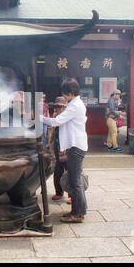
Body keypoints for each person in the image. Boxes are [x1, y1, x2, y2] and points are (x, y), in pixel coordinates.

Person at [41, 79, 87, 223]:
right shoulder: (75, 104)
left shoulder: (75, 106)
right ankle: (77, 210)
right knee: (75, 180)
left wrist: (39, 118)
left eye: (65, 93)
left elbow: (56, 121)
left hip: (76, 146)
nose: (64, 96)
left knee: (75, 181)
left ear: (71, 93)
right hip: (75, 145)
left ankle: (78, 214)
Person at [47, 96, 71, 203]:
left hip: (67, 148)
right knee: (58, 170)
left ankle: (72, 195)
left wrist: (67, 145)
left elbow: (71, 133)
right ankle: (59, 192)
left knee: (70, 171)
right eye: (56, 107)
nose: (58, 109)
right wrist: (49, 143)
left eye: (60, 107)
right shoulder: (56, 116)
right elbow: (53, 131)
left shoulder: (69, 117)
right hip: (58, 146)